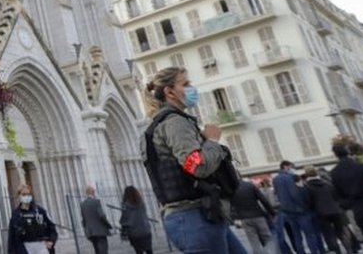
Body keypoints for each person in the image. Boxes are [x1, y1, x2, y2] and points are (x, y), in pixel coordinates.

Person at [140, 66, 247, 254]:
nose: (192, 88)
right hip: (194, 217)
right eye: (186, 84)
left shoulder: (162, 123)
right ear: (170, 91)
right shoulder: (174, 122)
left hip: (197, 215)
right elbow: (195, 165)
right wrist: (212, 141)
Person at [330, 141, 363, 253]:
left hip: (357, 208)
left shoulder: (334, 173)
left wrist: (348, 204)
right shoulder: (361, 167)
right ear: (348, 152)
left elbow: (338, 194)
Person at [273, 160, 321, 254]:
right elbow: (294, 194)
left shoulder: (275, 179)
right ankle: (314, 252)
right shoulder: (290, 177)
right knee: (309, 234)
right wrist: (304, 206)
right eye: (291, 167)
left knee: (297, 236)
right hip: (300, 211)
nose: (292, 169)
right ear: (286, 166)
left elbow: (277, 194)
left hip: (287, 211)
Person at [303, 165, 348, 254]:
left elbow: (309, 202)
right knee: (341, 232)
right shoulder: (327, 183)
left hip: (321, 213)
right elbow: (335, 196)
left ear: (306, 175)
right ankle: (349, 249)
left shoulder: (307, 187)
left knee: (329, 233)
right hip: (335, 210)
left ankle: (337, 251)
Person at [7, 184, 57, 254]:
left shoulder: (40, 211)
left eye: (28, 194)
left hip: (41, 245)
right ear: (19, 196)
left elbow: (51, 226)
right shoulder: (16, 214)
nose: (26, 196)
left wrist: (51, 240)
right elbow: (12, 235)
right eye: (24, 194)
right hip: (25, 246)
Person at [230, 178, 275, 254]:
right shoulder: (249, 185)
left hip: (244, 218)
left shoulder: (230, 189)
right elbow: (263, 200)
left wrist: (235, 218)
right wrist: (271, 212)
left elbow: (231, 206)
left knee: (254, 241)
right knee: (267, 238)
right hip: (258, 215)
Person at [118, 185, 153, 254]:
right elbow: (144, 214)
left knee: (138, 251)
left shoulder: (125, 205)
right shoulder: (141, 203)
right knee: (149, 250)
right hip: (145, 230)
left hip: (134, 232)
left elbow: (124, 219)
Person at [79, 185, 112, 254]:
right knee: (103, 250)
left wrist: (86, 228)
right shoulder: (96, 201)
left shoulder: (82, 204)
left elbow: (83, 219)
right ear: (93, 192)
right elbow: (101, 215)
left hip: (90, 231)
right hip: (100, 230)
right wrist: (108, 225)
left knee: (97, 250)